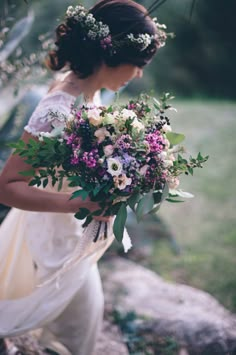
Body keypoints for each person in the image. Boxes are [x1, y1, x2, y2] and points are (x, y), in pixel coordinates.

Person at [0, 0, 167, 353]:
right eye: (137, 64)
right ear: (109, 54)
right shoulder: (58, 107)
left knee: (83, 332)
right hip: (53, 246)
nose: (137, 74)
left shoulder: (88, 92)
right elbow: (7, 186)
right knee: (82, 337)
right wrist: (81, 201)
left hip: (74, 241)